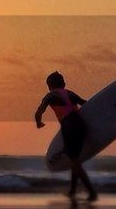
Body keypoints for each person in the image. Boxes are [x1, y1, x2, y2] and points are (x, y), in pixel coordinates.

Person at [35, 71, 98, 202]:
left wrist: (39, 123)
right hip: (81, 125)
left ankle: (91, 192)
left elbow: (39, 111)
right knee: (75, 159)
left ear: (49, 85)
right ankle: (73, 191)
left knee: (74, 161)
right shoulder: (70, 93)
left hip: (69, 127)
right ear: (64, 84)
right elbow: (86, 104)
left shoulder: (49, 96)